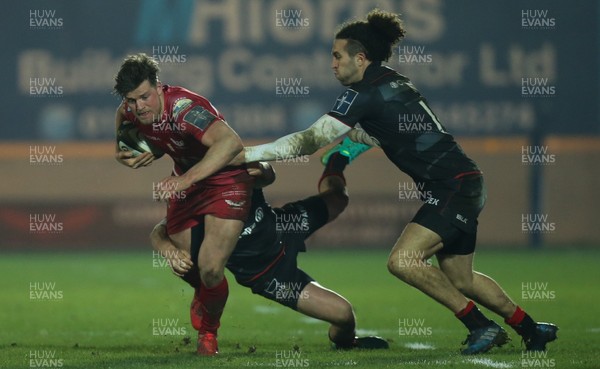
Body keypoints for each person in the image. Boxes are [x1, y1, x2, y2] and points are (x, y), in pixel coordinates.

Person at [231, 9, 558, 354]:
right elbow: (381, 133)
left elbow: (310, 140)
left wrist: (246, 154)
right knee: (462, 278)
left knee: (402, 261)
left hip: (453, 187)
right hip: (464, 182)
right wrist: (343, 157)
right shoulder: (391, 82)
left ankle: (479, 326)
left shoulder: (364, 92)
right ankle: (531, 328)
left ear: (360, 58)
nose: (332, 64)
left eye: (337, 55)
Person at [150, 159, 389, 351]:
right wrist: (168, 251)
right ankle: (347, 343)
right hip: (270, 275)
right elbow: (161, 230)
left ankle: (337, 159)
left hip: (285, 225)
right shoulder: (192, 196)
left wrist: (261, 168)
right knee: (344, 315)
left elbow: (267, 174)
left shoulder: (230, 165)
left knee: (339, 198)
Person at [113, 53, 254, 355]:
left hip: (225, 180)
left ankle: (208, 335)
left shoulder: (185, 109)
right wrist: (121, 150)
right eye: (132, 100)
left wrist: (185, 180)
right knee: (183, 262)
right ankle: (202, 293)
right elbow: (122, 120)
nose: (139, 106)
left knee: (211, 268)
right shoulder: (130, 109)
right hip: (187, 180)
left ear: (159, 87)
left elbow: (230, 143)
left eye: (144, 97)